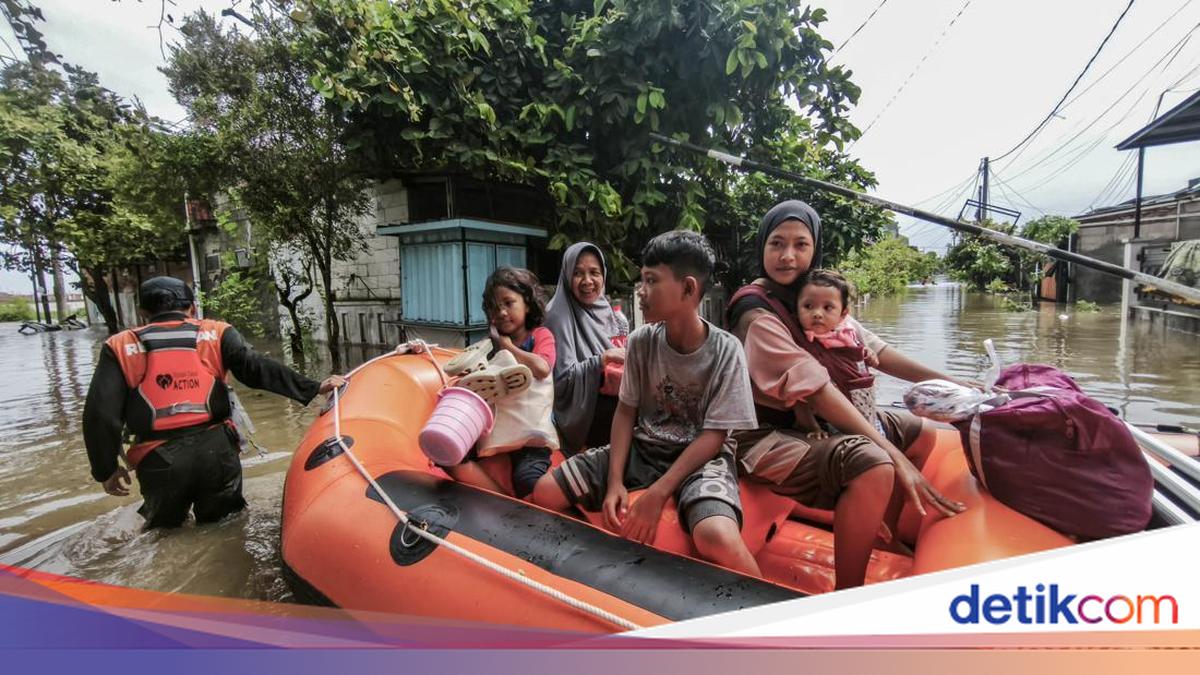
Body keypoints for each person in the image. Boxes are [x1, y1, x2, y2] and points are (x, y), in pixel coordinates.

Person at [727, 200, 966, 589]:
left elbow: (876, 350)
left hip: (815, 422)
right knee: (874, 460)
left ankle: (881, 535)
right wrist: (890, 454)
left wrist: (955, 383)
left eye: (801, 245)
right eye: (776, 243)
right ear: (762, 247)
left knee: (917, 432)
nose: (788, 256)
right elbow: (815, 387)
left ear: (814, 248)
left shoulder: (815, 295)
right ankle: (848, 591)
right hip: (760, 434)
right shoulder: (755, 312)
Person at [532, 230, 762, 577]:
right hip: (645, 447)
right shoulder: (641, 341)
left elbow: (714, 435)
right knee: (546, 492)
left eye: (651, 281)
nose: (642, 291)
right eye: (643, 280)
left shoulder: (726, 350)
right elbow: (626, 412)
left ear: (688, 288)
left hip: (701, 460)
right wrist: (614, 482)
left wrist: (657, 494)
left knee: (716, 535)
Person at [82, 276, 344, 529]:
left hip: (158, 460)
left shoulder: (119, 346)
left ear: (141, 313)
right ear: (192, 308)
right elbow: (256, 369)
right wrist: (314, 387)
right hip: (216, 452)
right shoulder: (216, 333)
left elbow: (100, 415)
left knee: (165, 534)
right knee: (226, 526)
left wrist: (105, 470)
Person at [443, 267, 556, 499]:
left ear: (527, 303)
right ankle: (500, 501)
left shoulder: (540, 335)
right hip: (498, 430)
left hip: (532, 436)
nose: (502, 312)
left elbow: (543, 369)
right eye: (495, 307)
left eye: (508, 303)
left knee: (527, 480)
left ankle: (525, 507)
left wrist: (508, 347)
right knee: (450, 455)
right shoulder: (488, 345)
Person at [544, 242, 629, 452]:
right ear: (566, 276)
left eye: (594, 273)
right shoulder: (557, 315)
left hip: (611, 395)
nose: (587, 281)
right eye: (578, 273)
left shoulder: (605, 309)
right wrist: (602, 360)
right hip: (581, 410)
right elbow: (561, 382)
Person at [790, 269, 882, 437]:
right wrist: (813, 428)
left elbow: (862, 358)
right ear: (797, 310)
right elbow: (800, 397)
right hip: (829, 424)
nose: (817, 314)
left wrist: (868, 353)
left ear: (843, 314)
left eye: (828, 307)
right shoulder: (802, 345)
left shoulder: (849, 332)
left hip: (864, 412)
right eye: (808, 306)